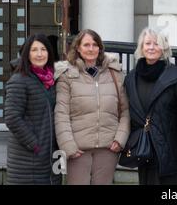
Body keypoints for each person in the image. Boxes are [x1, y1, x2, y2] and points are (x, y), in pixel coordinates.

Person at [55, 29, 130, 184]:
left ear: (100, 48)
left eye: (95, 45)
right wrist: (69, 146)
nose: (91, 49)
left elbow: (125, 111)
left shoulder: (114, 73)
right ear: (78, 48)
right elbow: (61, 114)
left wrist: (120, 139)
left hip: (108, 148)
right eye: (86, 45)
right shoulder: (67, 75)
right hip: (78, 150)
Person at [123, 28, 177, 185]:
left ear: (164, 48)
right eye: (147, 43)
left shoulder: (176, 76)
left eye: (156, 43)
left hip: (169, 147)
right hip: (143, 147)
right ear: (141, 47)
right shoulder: (131, 78)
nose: (151, 47)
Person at [4, 34, 61, 185]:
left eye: (43, 49)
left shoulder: (51, 79)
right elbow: (12, 117)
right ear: (26, 53)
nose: (40, 54)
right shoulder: (19, 79)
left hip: (51, 158)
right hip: (28, 160)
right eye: (34, 50)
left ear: (49, 53)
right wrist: (35, 145)